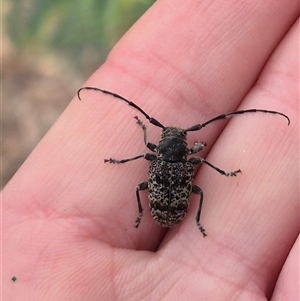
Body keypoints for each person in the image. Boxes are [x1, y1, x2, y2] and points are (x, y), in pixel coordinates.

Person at [3, 1, 299, 300]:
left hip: (161, 211)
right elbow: (198, 150)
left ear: (162, 147)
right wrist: (208, 155)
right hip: (172, 211)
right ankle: (196, 217)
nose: (176, 137)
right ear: (184, 148)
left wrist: (142, 135)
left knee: (144, 185)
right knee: (201, 185)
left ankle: (171, 215)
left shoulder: (155, 157)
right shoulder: (189, 160)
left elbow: (149, 146)